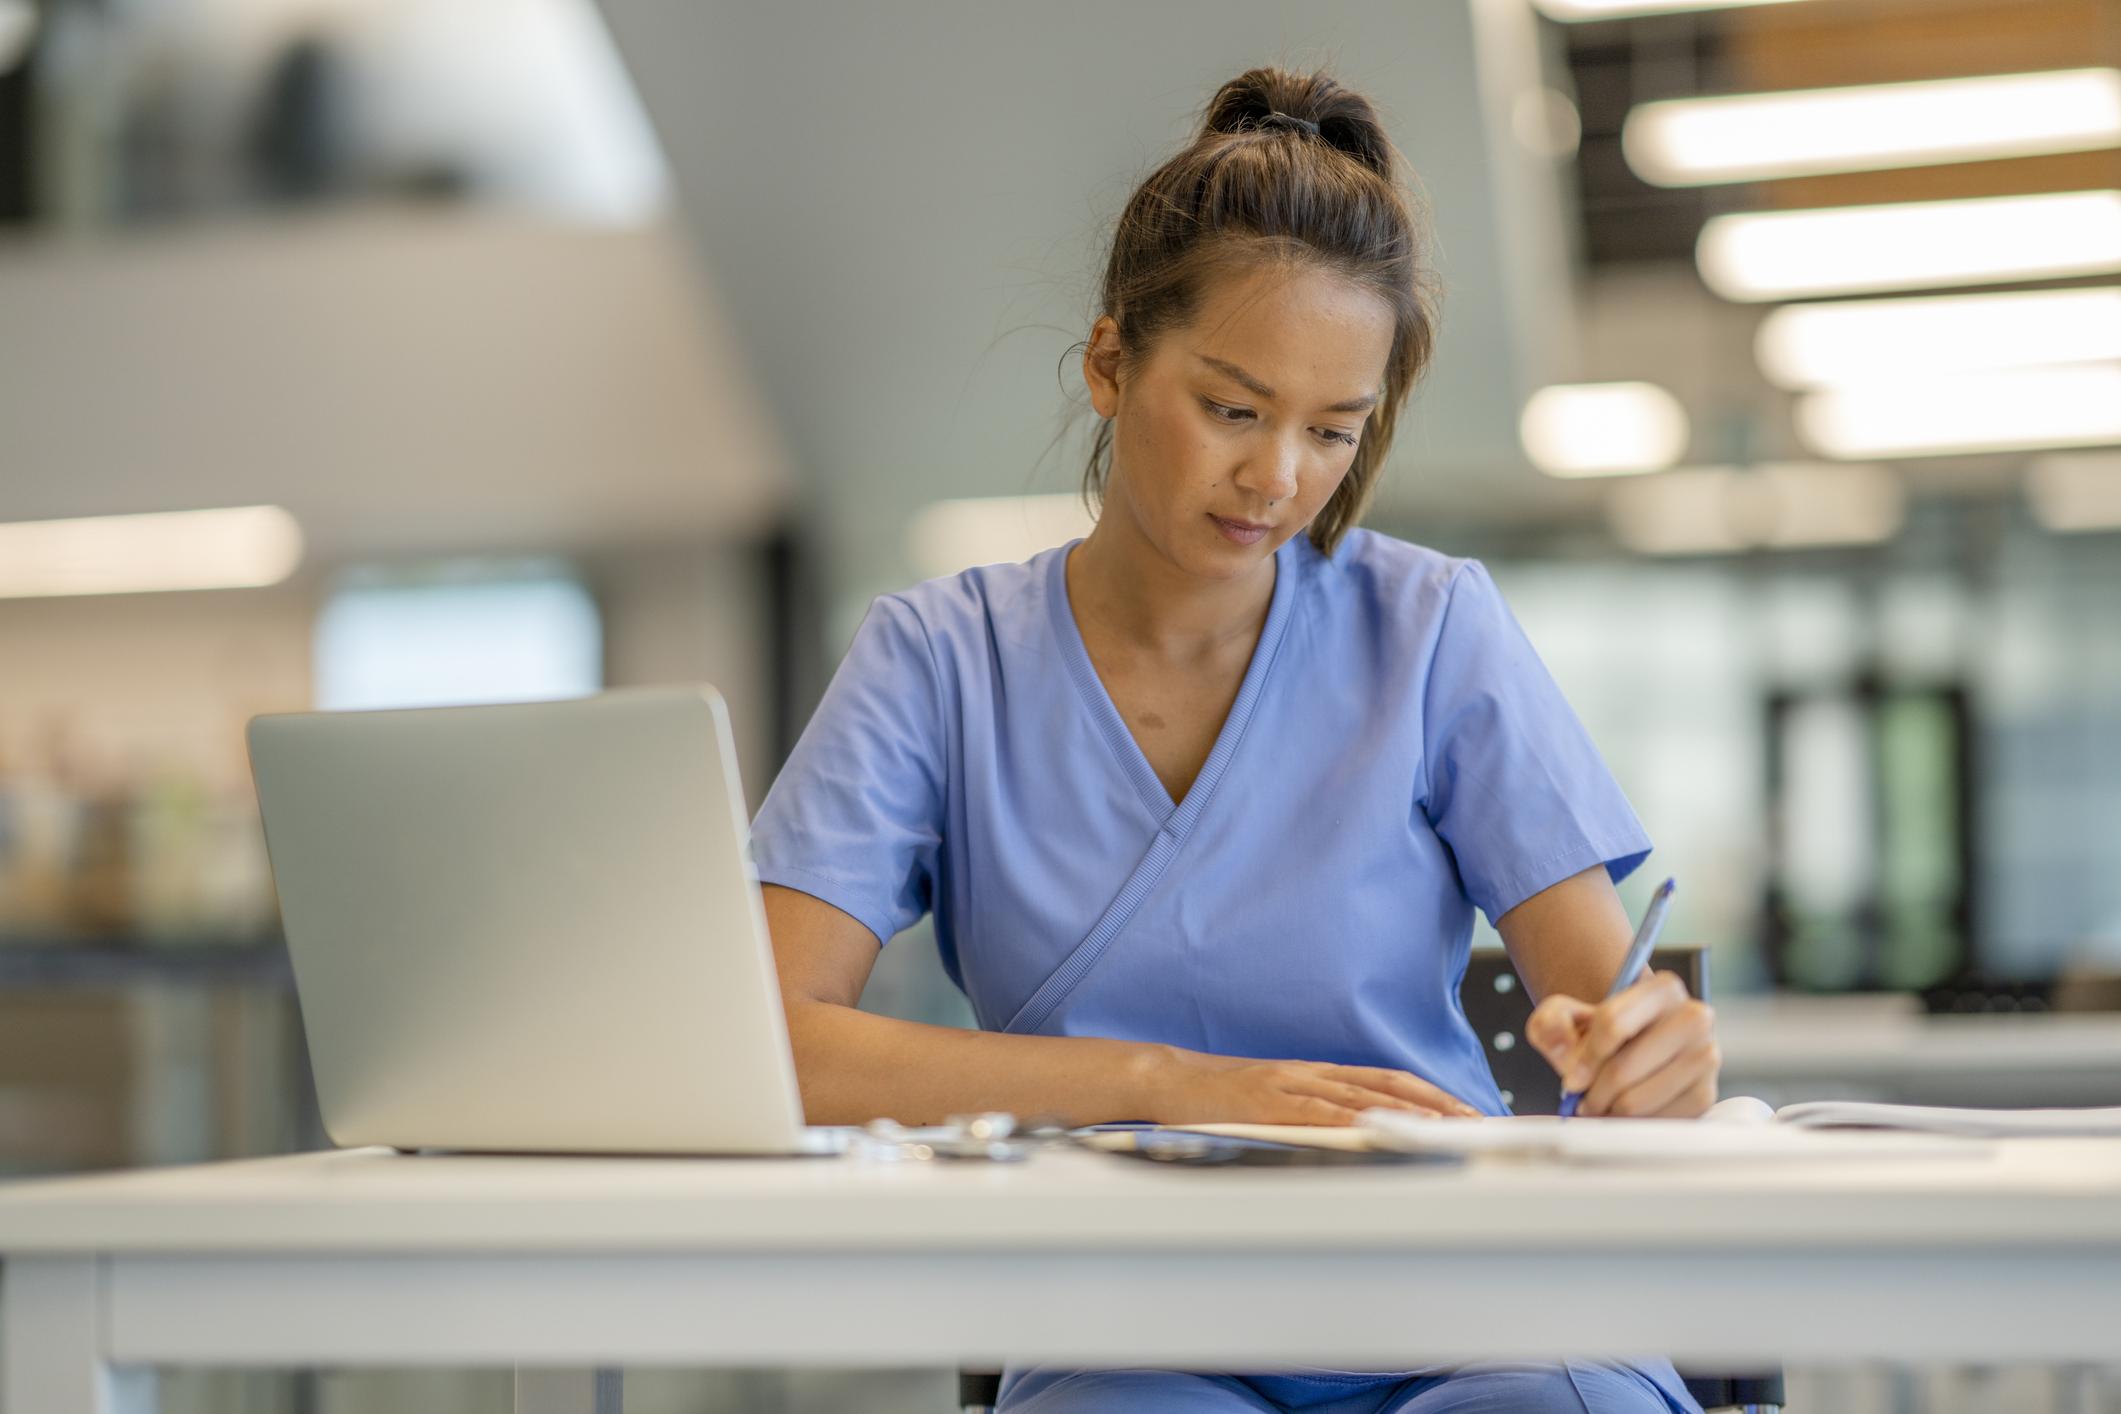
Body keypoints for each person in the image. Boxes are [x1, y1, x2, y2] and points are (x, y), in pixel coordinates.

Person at [750, 64, 1719, 1414]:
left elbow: (1611, 1019)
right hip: (1125, 1314)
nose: (1278, 477)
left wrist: (1651, 1049)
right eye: (1232, 409)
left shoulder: (1429, 626)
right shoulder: (938, 659)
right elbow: (778, 1046)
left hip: (1468, 1295)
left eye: (1334, 430)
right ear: (1107, 363)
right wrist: (1170, 1085)